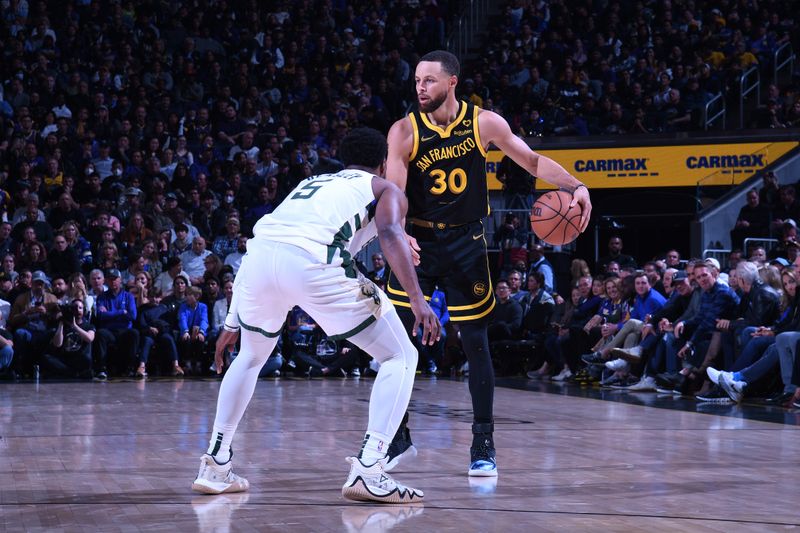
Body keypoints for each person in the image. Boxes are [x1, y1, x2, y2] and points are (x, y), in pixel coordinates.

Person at [192, 128, 439, 504]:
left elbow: (271, 239)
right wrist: (419, 301)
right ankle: (370, 468)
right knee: (400, 355)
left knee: (250, 356)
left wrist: (231, 322)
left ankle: (216, 463)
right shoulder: (385, 188)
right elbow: (389, 230)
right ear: (384, 162)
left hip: (257, 262)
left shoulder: (313, 182)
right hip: (313, 263)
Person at [384, 50, 591, 477]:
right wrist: (399, 230)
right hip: (418, 242)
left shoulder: (484, 123)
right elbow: (394, 191)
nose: (419, 87)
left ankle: (483, 442)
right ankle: (397, 436)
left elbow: (531, 161)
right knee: (397, 345)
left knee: (476, 343)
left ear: (452, 82)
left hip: (466, 242)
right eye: (417, 80)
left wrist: (576, 184)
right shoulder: (404, 131)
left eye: (429, 80)